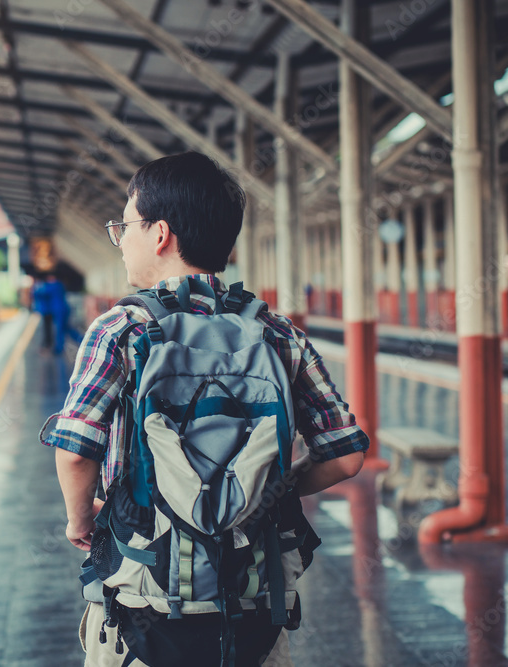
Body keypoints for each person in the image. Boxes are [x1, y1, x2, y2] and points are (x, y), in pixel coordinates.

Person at [39, 152, 369, 666]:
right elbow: (345, 456)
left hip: (145, 603)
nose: (120, 240)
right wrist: (268, 486)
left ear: (160, 234)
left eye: (123, 226)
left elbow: (76, 451)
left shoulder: (119, 330)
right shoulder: (279, 335)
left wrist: (80, 521)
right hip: (254, 605)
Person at [44, 273, 83, 355]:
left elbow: (41, 292)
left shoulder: (54, 286)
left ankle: (59, 348)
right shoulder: (60, 285)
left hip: (59, 310)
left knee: (60, 328)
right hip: (63, 308)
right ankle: (81, 340)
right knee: (66, 328)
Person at [32, 277, 55, 350]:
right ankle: (48, 342)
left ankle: (47, 343)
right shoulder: (44, 287)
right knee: (47, 327)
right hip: (47, 310)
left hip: (47, 311)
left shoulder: (42, 288)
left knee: (47, 328)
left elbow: (38, 295)